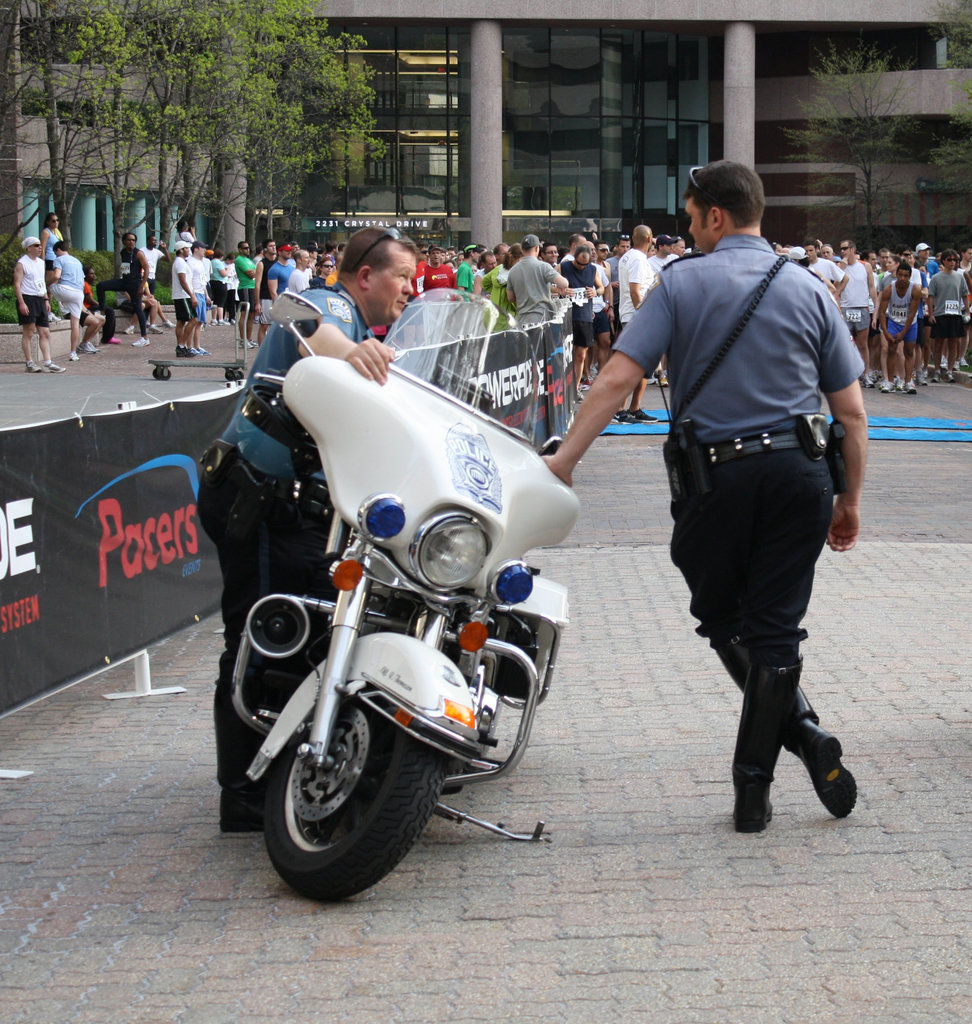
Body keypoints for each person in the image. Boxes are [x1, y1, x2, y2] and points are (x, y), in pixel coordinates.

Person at [544, 160, 868, 834]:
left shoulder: (681, 283)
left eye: (690, 218)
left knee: (723, 620)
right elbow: (854, 413)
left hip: (714, 479)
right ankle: (771, 772)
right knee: (776, 633)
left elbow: (613, 380)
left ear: (715, 216)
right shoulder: (810, 288)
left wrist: (565, 460)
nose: (687, 231)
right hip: (799, 475)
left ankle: (793, 747)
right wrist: (850, 499)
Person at [197, 225, 416, 832]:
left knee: (301, 633)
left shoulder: (367, 329)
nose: (409, 288)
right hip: (265, 502)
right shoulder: (334, 306)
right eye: (401, 275)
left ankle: (276, 775)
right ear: (365, 275)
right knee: (270, 635)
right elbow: (306, 327)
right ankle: (244, 797)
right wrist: (352, 352)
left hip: (297, 507)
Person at [13, 236, 65, 372]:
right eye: (36, 245)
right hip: (27, 298)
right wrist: (21, 303)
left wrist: (46, 299)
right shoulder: (22, 263)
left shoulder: (41, 263)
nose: (39, 247)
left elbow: (41, 282)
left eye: (40, 245)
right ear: (29, 248)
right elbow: (17, 284)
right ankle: (29, 362)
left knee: (45, 332)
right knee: (29, 333)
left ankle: (48, 362)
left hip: (40, 299)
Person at [97, 231, 151, 346]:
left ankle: (144, 337)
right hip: (124, 282)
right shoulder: (123, 252)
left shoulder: (139, 253)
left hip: (135, 284)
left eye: (133, 240)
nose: (131, 242)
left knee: (138, 307)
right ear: (124, 242)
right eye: (129, 240)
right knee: (101, 286)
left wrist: (142, 285)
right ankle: (101, 311)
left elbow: (146, 269)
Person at [50, 239, 99, 360]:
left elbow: (56, 276)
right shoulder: (77, 261)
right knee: (75, 324)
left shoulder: (59, 259)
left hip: (65, 289)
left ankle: (48, 311)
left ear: (58, 250)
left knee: (47, 288)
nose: (55, 255)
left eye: (55, 252)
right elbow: (83, 282)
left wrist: (48, 283)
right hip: (78, 293)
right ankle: (73, 353)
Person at [506, 233, 570, 325]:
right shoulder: (543, 266)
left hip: (522, 320)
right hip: (541, 318)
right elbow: (564, 284)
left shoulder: (513, 271)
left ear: (522, 249)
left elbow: (510, 298)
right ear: (537, 248)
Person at [169, 238, 198, 358]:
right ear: (181, 250)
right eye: (186, 248)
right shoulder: (180, 263)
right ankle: (181, 345)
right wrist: (192, 296)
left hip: (180, 295)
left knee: (181, 321)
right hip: (183, 295)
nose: (188, 250)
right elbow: (183, 281)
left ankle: (181, 346)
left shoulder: (180, 262)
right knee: (193, 319)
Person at [235, 241, 256, 346]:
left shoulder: (249, 260)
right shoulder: (239, 260)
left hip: (253, 287)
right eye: (245, 248)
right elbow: (251, 274)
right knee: (245, 312)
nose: (248, 250)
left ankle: (249, 338)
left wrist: (255, 272)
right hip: (245, 287)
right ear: (240, 249)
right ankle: (243, 339)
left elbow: (255, 272)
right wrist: (256, 272)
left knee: (252, 313)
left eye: (248, 248)